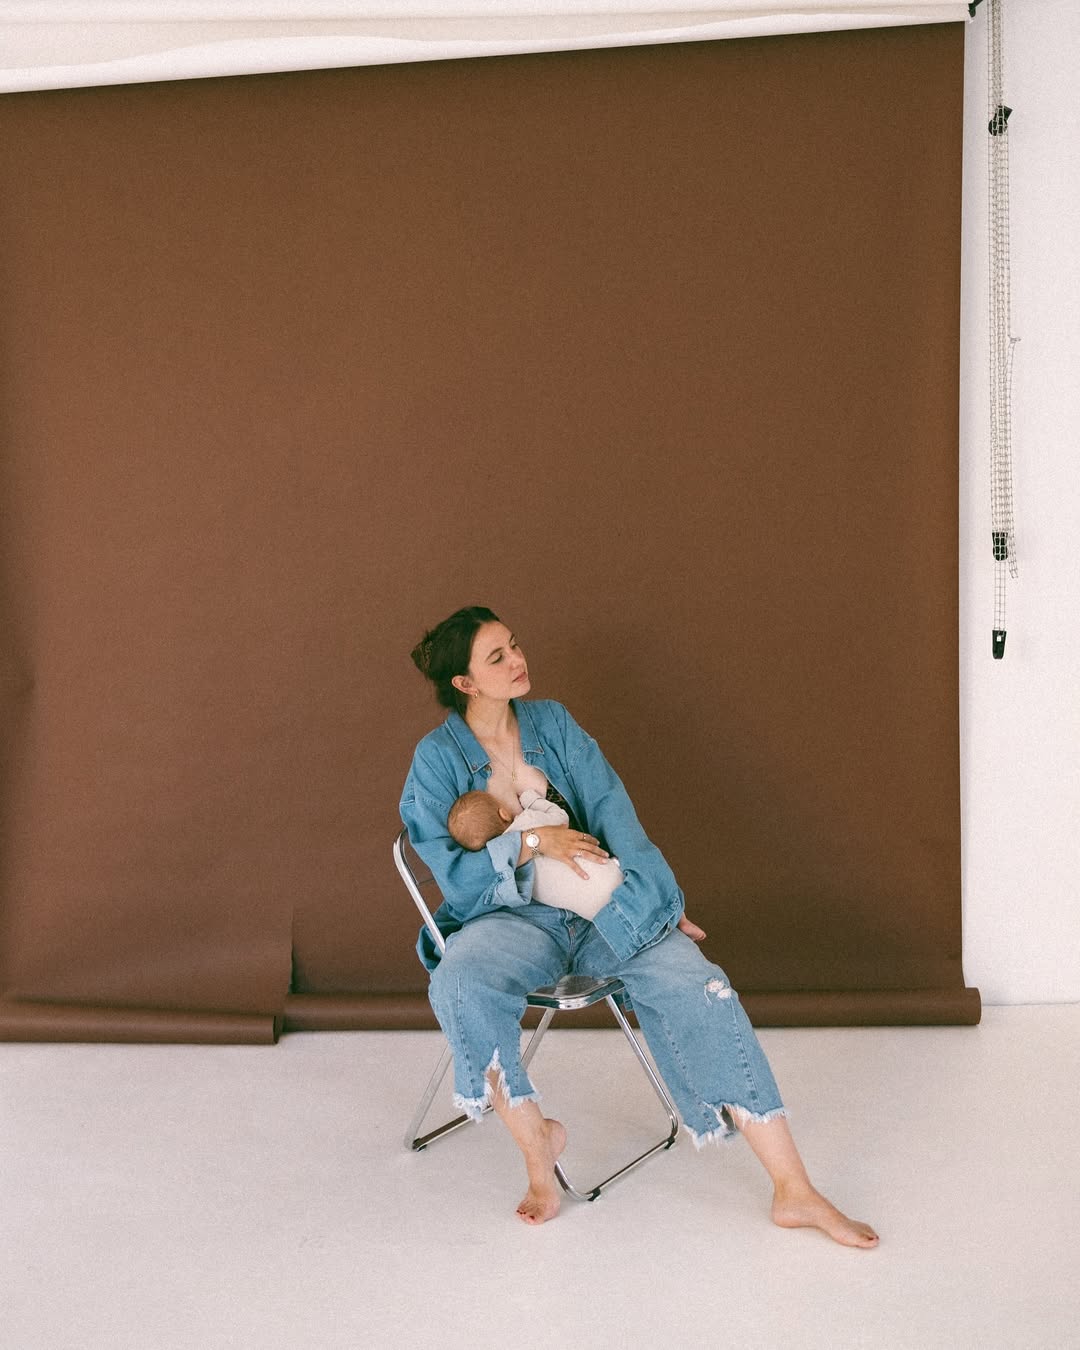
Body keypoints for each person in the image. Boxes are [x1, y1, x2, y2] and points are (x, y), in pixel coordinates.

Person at [400, 605, 878, 1246]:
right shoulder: (435, 762)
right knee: (459, 977)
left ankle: (795, 1191)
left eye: (514, 645)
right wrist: (534, 841)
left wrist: (657, 896)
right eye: (497, 658)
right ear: (465, 683)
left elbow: (611, 810)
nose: (518, 661)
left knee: (698, 984)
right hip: (510, 917)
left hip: (605, 911)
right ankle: (538, 1151)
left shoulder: (554, 723)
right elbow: (455, 879)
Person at [448, 786, 707, 937]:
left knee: (632, 918)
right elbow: (560, 817)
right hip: (605, 875)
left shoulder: (507, 867)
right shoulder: (527, 823)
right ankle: (675, 921)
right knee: (641, 889)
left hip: (591, 913)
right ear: (503, 812)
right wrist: (531, 799)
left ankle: (663, 928)